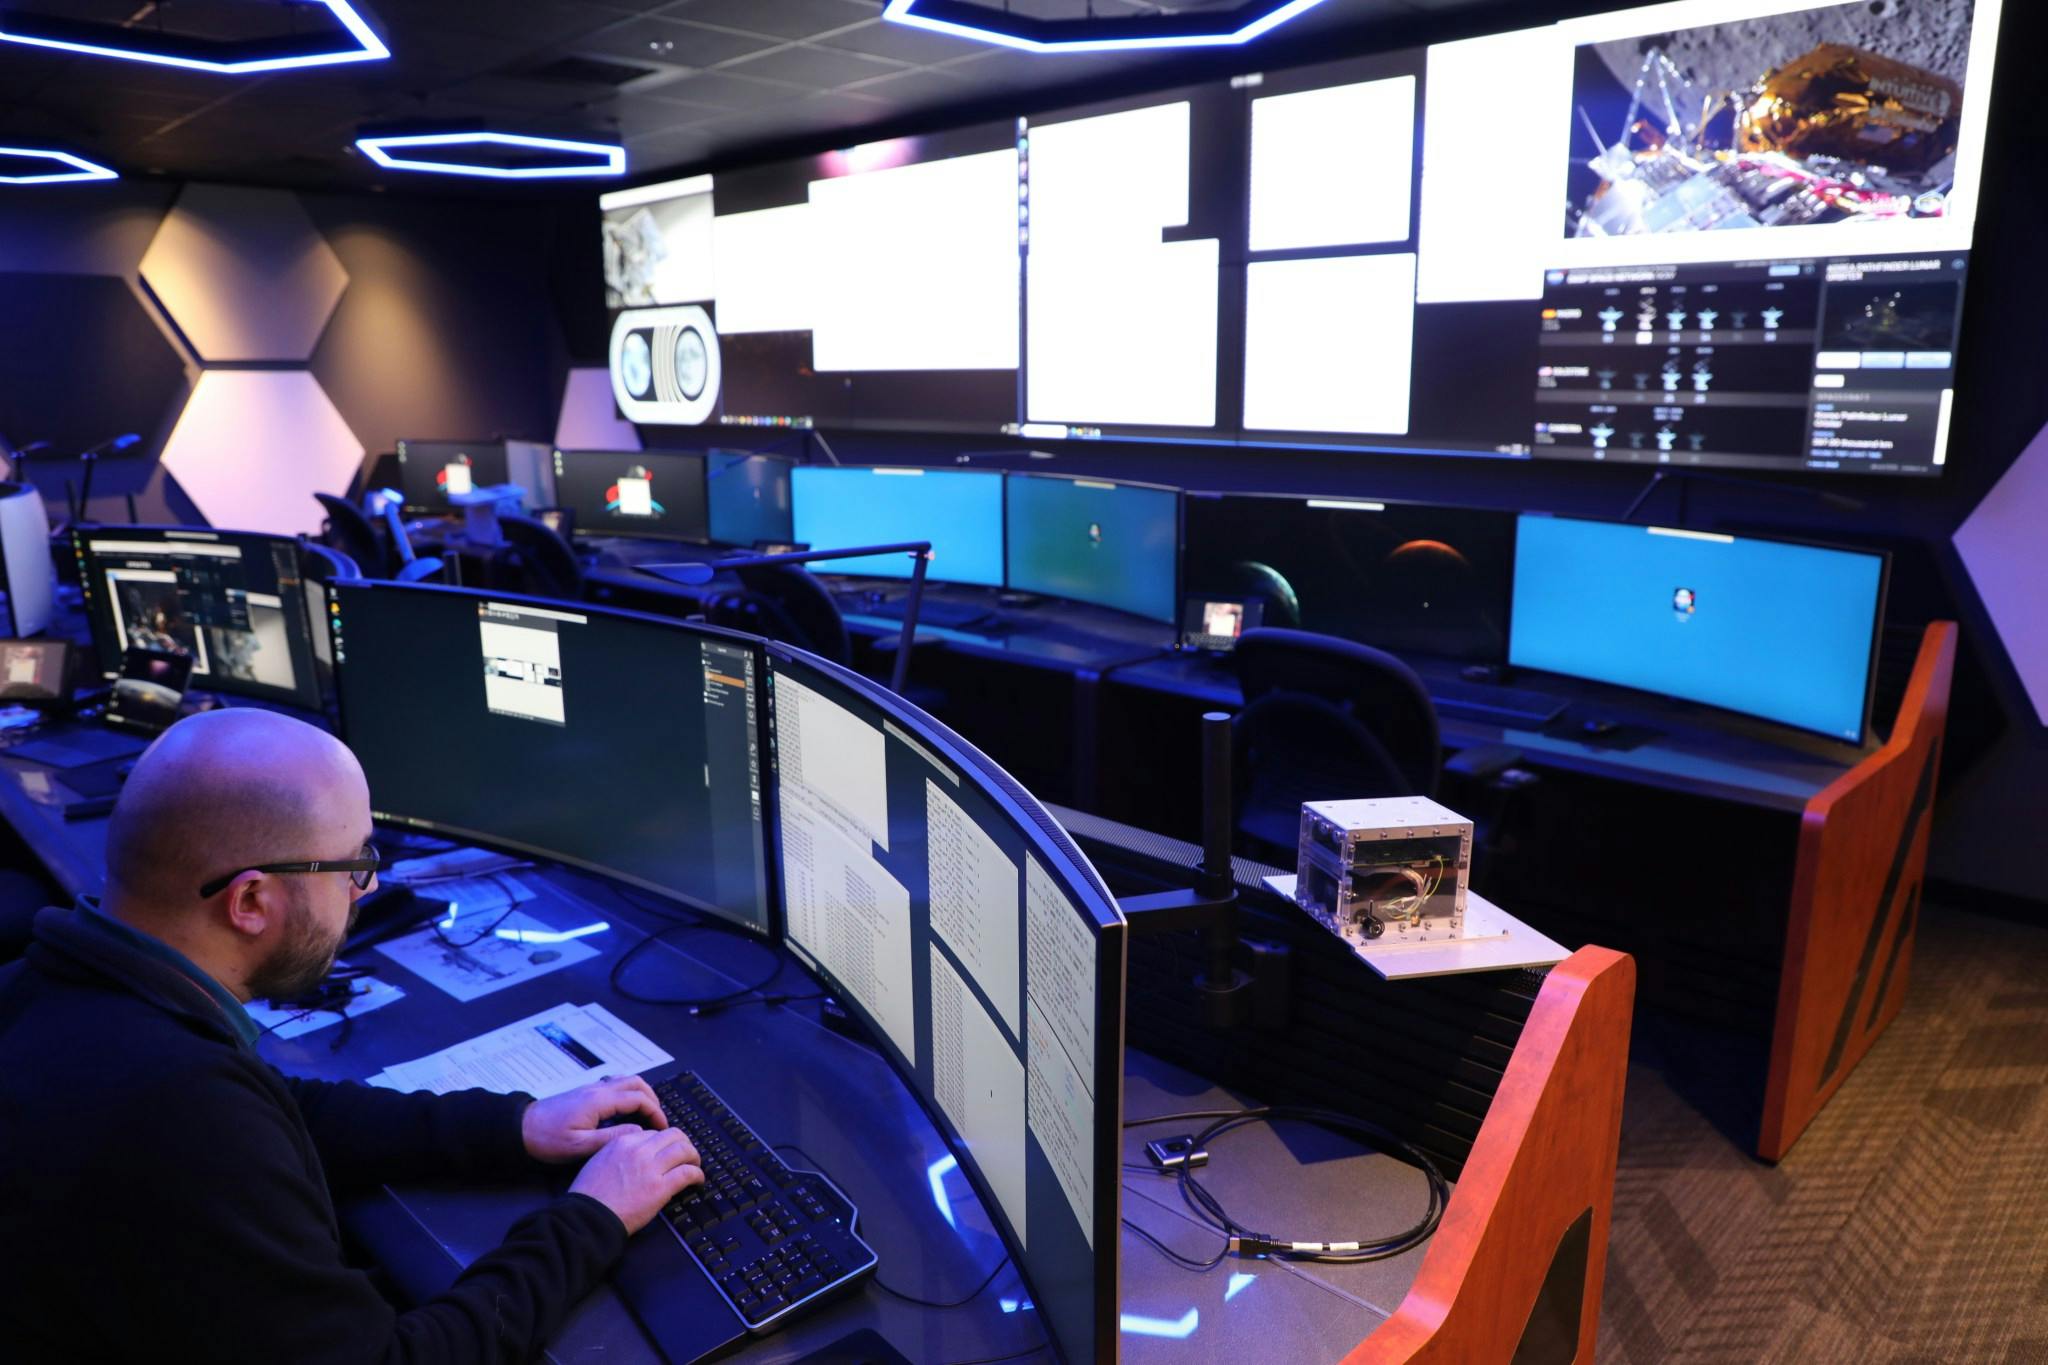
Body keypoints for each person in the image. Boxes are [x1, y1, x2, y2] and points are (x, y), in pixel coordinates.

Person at [0, 709, 705, 1363]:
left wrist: (516, 1125)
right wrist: (593, 1216)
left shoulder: (56, 991)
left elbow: (279, 1107)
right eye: (354, 866)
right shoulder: (177, 1112)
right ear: (251, 900)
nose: (365, 890)